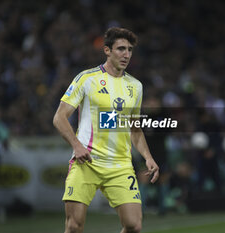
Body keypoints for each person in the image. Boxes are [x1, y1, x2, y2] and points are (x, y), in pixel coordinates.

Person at [53, 27, 159, 233]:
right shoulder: (86, 78)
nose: (126, 54)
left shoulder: (135, 86)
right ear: (107, 51)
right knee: (74, 226)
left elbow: (134, 128)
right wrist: (77, 145)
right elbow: (59, 117)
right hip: (87, 162)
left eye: (129, 50)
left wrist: (148, 156)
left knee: (134, 225)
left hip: (120, 165)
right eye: (120, 49)